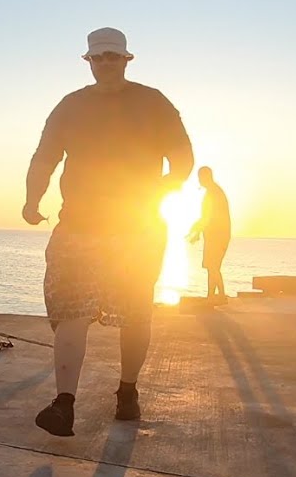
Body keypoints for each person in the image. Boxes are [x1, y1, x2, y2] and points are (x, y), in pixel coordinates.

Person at [23, 27, 193, 437]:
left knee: (135, 313)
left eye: (112, 57)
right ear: (88, 61)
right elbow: (44, 158)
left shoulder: (154, 102)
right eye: (98, 58)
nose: (105, 64)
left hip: (136, 227)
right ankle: (64, 405)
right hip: (81, 227)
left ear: (127, 59)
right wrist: (32, 201)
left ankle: (127, 392)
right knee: (71, 312)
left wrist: (160, 190)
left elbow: (183, 159)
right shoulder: (71, 105)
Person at [186, 166, 231, 304]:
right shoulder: (213, 192)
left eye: (200, 178)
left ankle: (219, 296)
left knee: (213, 266)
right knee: (212, 267)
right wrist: (197, 231)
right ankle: (213, 295)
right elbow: (206, 217)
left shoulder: (214, 193)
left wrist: (196, 230)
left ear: (206, 177)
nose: (199, 181)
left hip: (218, 235)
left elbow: (208, 217)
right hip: (215, 235)